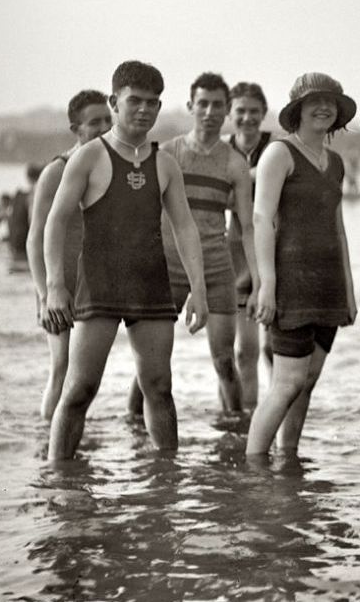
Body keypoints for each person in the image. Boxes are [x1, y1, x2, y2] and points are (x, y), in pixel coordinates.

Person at [43, 60, 208, 461]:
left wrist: (199, 292)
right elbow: (55, 221)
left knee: (159, 386)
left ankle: (165, 483)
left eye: (153, 103)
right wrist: (54, 286)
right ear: (115, 102)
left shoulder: (164, 163)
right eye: (135, 101)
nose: (144, 110)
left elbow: (185, 228)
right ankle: (56, 478)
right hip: (99, 285)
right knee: (80, 389)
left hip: (150, 285)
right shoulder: (88, 157)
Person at [128, 73, 259, 414]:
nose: (210, 111)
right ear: (190, 106)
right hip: (167, 265)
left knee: (225, 361)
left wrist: (258, 281)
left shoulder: (235, 163)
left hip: (216, 266)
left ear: (227, 110)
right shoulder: (167, 153)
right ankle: (134, 427)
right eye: (203, 103)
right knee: (150, 364)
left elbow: (247, 226)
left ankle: (234, 435)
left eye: (218, 105)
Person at [246, 73, 358, 457]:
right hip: (291, 284)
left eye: (330, 102)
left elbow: (339, 229)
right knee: (287, 382)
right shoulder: (279, 153)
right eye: (315, 102)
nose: (324, 108)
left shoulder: (337, 162)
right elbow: (261, 219)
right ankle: (255, 467)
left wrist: (349, 291)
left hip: (328, 287)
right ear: (298, 110)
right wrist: (267, 285)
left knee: (307, 381)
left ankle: (287, 457)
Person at [26, 90, 113, 420]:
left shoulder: (109, 167)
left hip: (95, 284)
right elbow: (34, 240)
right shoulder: (56, 172)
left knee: (86, 374)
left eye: (108, 120)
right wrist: (46, 292)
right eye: (95, 123)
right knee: (61, 366)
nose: (104, 127)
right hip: (58, 283)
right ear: (75, 128)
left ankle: (76, 440)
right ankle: (50, 444)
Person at [227, 81, 275, 408]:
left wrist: (250, 177)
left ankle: (276, 410)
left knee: (273, 348)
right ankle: (244, 418)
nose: (247, 118)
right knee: (244, 350)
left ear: (264, 113)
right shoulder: (220, 150)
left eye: (254, 111)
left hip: (274, 250)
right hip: (235, 254)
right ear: (230, 114)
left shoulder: (277, 147)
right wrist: (253, 178)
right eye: (240, 111)